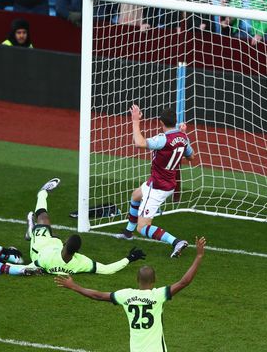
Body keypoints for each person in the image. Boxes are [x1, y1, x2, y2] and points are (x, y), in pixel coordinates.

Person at [54, 237, 206, 352]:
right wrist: (198, 256)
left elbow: (98, 296)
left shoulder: (125, 296)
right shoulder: (158, 296)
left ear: (137, 279)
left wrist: (74, 286)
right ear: (155, 280)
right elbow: (184, 282)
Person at [115, 106, 194, 258]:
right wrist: (182, 136)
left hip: (157, 187)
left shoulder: (162, 139)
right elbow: (191, 157)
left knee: (143, 227)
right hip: (168, 183)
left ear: (161, 122)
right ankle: (127, 233)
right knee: (136, 195)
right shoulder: (183, 137)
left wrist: (135, 120)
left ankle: (176, 242)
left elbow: (139, 143)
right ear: (175, 121)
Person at [26, 178, 148, 274]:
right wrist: (130, 258)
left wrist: (7, 266)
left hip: (39, 248)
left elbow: (24, 268)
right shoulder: (81, 263)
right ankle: (32, 230)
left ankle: (42, 193)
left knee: (43, 218)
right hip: (54, 245)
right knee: (54, 236)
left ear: (65, 244)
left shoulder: (46, 259)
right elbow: (107, 269)